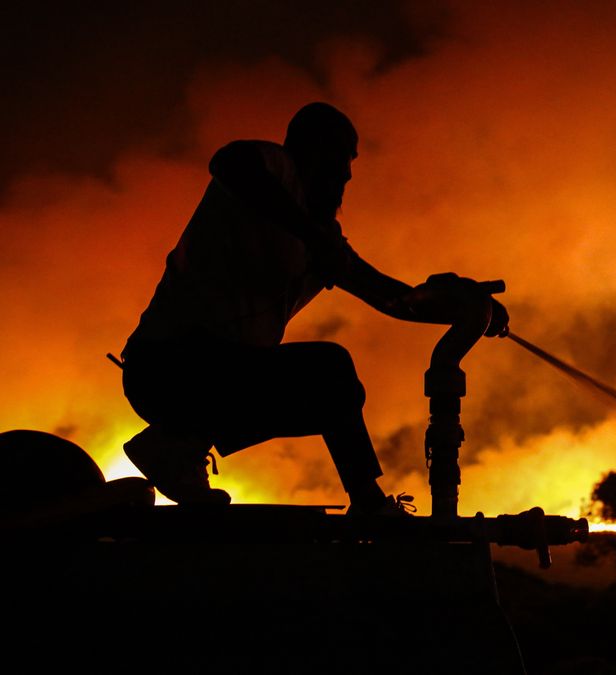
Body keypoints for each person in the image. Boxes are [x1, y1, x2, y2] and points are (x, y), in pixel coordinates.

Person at [119, 102, 507, 515]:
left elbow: (393, 299)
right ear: (310, 149)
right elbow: (228, 162)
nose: (347, 174)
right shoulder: (273, 168)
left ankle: (181, 442)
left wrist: (461, 304)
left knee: (336, 395)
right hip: (167, 367)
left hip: (218, 378)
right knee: (329, 368)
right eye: (341, 157)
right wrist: (309, 233)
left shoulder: (323, 239)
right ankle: (368, 502)